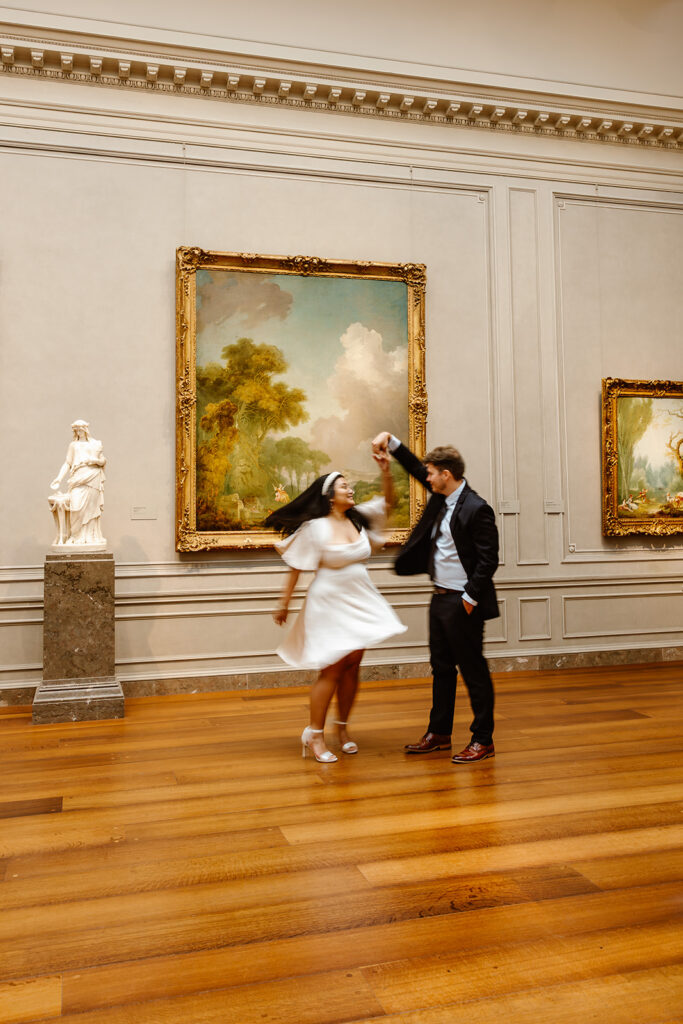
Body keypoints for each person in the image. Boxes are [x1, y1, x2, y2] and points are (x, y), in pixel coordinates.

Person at [265, 452, 406, 763]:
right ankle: (314, 735)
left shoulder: (359, 518)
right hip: (328, 604)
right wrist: (284, 604)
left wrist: (386, 470)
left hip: (359, 599)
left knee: (353, 665)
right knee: (331, 669)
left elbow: (389, 502)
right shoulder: (315, 528)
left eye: (349, 485)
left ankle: (342, 729)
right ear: (330, 496)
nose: (350, 489)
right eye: (344, 486)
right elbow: (296, 568)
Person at [372, 431, 499, 763]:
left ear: (446, 474)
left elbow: (489, 559)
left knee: (473, 671)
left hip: (463, 602)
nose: (426, 477)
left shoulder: (476, 508)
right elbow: (415, 467)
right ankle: (439, 732)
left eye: (432, 473)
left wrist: (470, 599)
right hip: (439, 598)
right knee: (441, 668)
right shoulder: (441, 497)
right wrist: (391, 441)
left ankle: (483, 740)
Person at [50, 420, 107, 546]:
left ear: (86, 430)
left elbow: (102, 461)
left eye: (81, 429)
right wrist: (59, 478)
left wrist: (94, 460)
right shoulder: (73, 445)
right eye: (77, 430)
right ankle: (76, 536)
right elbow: (68, 463)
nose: (79, 432)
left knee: (91, 509)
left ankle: (90, 537)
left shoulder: (95, 444)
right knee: (76, 507)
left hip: (93, 477)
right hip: (77, 478)